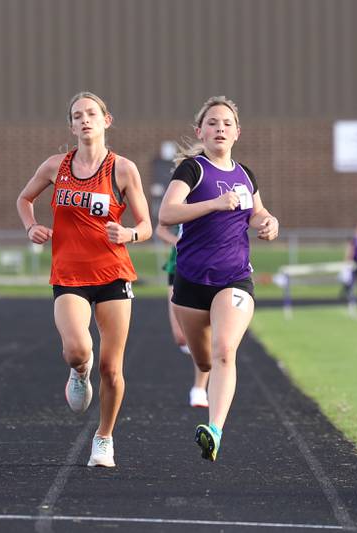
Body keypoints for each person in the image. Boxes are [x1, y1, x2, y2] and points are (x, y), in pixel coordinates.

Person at [15, 92, 151, 467]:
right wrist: (32, 227)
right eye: (78, 116)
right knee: (77, 350)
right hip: (69, 273)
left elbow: (146, 225)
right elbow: (24, 200)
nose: (85, 120)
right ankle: (79, 372)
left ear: (107, 120)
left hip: (112, 274)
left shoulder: (122, 169)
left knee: (112, 367)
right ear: (71, 125)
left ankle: (104, 437)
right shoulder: (54, 166)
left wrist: (129, 235)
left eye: (92, 114)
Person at [158, 96, 279, 462]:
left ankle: (214, 431)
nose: (220, 128)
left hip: (235, 278)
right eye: (212, 123)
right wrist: (214, 203)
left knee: (225, 349)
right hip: (191, 281)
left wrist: (268, 223)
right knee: (205, 359)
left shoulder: (245, 174)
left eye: (226, 123)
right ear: (201, 131)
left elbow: (257, 213)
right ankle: (204, 377)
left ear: (237, 132)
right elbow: (166, 213)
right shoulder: (193, 170)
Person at [156, 222, 209, 408]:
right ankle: (204, 355)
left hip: (205, 266)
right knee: (181, 337)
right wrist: (178, 242)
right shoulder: (180, 198)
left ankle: (199, 387)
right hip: (178, 265)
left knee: (204, 334)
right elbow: (160, 229)